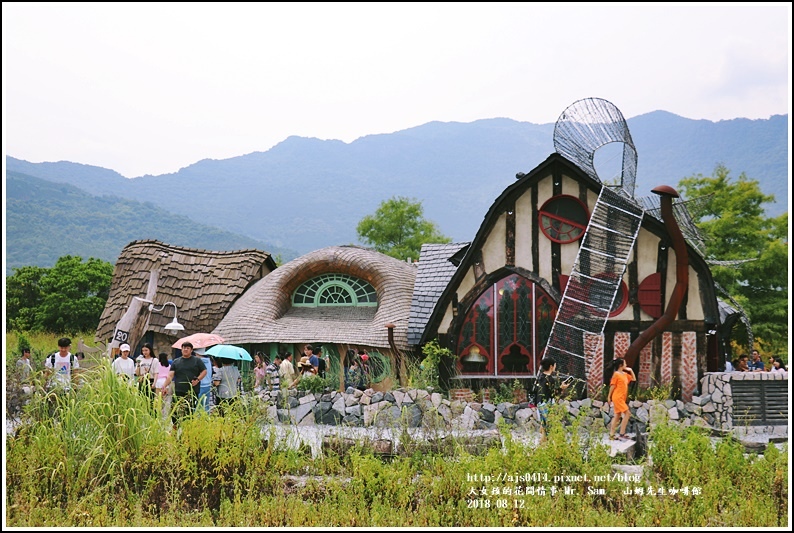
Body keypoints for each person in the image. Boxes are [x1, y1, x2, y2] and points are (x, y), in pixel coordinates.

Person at [162, 342, 207, 424]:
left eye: (188, 348)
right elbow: (170, 375)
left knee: (189, 413)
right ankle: (175, 431)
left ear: (191, 350)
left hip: (192, 391)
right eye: (184, 348)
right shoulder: (176, 361)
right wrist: (164, 386)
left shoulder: (197, 360)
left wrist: (197, 379)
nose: (185, 349)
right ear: (181, 349)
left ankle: (186, 431)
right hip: (179, 390)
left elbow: (204, 371)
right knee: (175, 412)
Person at [534, 356, 570, 443]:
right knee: (551, 427)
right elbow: (553, 394)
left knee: (545, 429)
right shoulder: (550, 379)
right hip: (546, 405)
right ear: (551, 366)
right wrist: (561, 388)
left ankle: (541, 447)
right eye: (554, 366)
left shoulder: (539, 377)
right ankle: (557, 446)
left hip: (539, 405)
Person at [608, 357, 636, 441]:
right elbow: (612, 386)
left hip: (622, 398)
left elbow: (633, 379)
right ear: (621, 365)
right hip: (617, 397)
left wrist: (630, 370)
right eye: (625, 363)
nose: (626, 365)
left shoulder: (624, 374)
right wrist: (609, 397)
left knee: (617, 415)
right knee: (627, 413)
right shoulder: (616, 374)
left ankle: (611, 435)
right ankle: (622, 433)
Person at [154, 352, 172, 419]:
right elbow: (169, 376)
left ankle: (157, 411)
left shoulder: (157, 365)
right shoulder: (169, 366)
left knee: (157, 398)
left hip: (158, 382)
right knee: (164, 398)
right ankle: (163, 411)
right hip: (165, 382)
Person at [196, 349, 214, 413]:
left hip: (200, 384)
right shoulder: (209, 361)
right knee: (206, 404)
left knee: (198, 405)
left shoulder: (198, 362)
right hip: (208, 385)